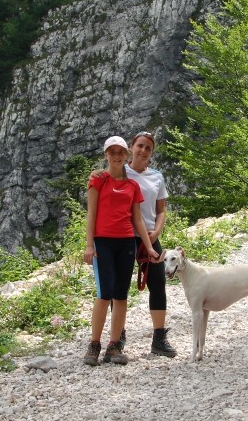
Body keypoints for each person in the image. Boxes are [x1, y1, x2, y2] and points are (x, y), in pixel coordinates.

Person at [83, 135, 159, 367]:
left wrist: (148, 247)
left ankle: (113, 345)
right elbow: (91, 213)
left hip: (126, 243)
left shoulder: (132, 186)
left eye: (120, 152)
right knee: (104, 294)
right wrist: (89, 245)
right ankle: (94, 344)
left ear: (125, 155)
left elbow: (137, 219)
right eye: (112, 152)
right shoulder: (98, 181)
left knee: (121, 295)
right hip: (103, 242)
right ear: (106, 155)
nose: (116, 156)